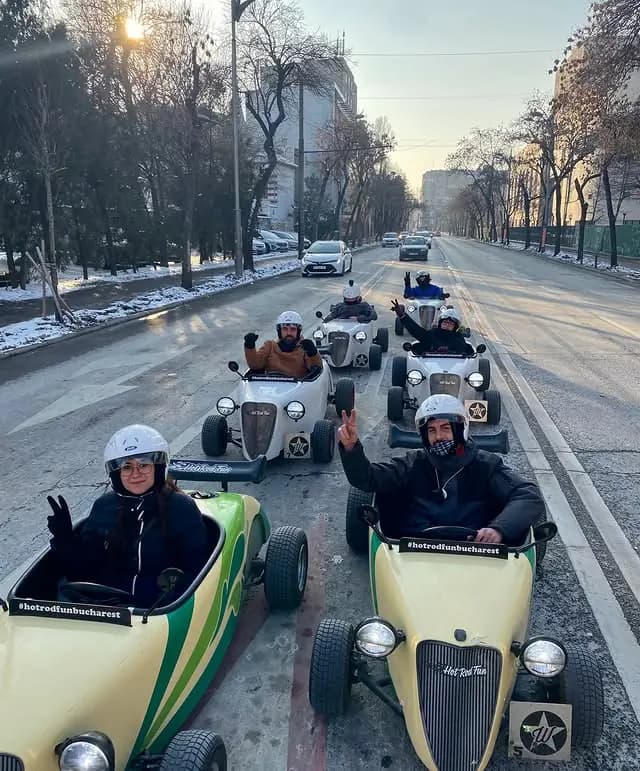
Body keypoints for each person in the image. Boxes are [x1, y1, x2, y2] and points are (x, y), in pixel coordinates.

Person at [338, 395, 545, 543]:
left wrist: (499, 529)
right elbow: (367, 479)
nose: (438, 437)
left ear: (460, 430)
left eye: (446, 428)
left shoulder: (486, 465)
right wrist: (351, 449)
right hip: (415, 551)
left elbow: (528, 495)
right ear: (424, 436)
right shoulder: (413, 463)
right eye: (432, 430)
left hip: (475, 552)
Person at [46, 425, 209, 606]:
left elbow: (197, 569)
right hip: (105, 605)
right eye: (127, 467)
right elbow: (84, 570)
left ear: (158, 467)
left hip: (158, 610)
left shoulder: (181, 508)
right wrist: (65, 539)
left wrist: (169, 600)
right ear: (117, 473)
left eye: (144, 465)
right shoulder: (104, 507)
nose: (135, 474)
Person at [244, 310, 322, 378]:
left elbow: (316, 369)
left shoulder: (304, 348)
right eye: (285, 329)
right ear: (279, 331)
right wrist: (249, 346)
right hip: (270, 388)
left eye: (293, 329)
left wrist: (313, 353)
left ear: (298, 331)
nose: (289, 333)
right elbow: (255, 365)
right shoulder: (270, 346)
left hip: (298, 390)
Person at [391, 299, 475, 356]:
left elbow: (465, 355)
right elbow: (415, 330)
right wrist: (402, 316)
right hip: (430, 369)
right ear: (440, 323)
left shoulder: (458, 338)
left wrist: (450, 351)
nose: (447, 325)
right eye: (445, 322)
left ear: (455, 327)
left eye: (450, 324)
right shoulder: (432, 334)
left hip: (454, 373)